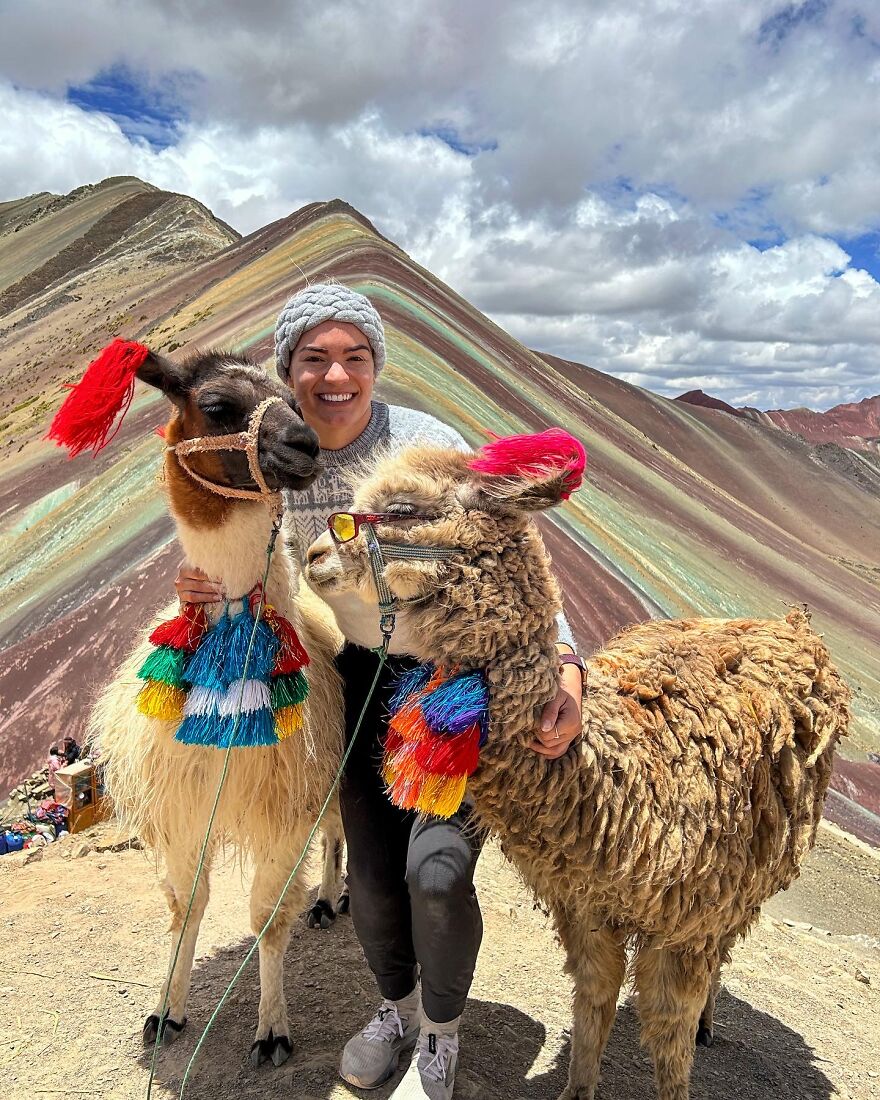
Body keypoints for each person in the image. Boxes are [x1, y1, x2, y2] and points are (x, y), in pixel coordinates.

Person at [176, 283, 585, 1099]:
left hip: (450, 681)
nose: (336, 376)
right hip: (359, 677)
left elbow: (513, 560)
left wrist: (567, 665)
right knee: (368, 877)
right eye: (315, 359)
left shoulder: (429, 447)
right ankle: (395, 1009)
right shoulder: (276, 456)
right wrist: (206, 585)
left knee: (435, 873)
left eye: (354, 358)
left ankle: (440, 1031)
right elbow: (243, 538)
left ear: (375, 367)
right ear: (289, 371)